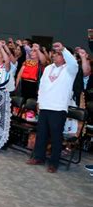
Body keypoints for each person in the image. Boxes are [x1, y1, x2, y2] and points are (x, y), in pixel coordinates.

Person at [27, 42, 78, 173]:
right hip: (45, 106)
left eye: (58, 54)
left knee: (56, 137)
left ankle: (53, 163)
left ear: (65, 56)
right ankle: (39, 157)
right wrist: (39, 102)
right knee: (41, 134)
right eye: (54, 54)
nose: (54, 56)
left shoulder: (70, 69)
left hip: (58, 108)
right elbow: (42, 86)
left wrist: (64, 49)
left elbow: (74, 63)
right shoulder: (49, 68)